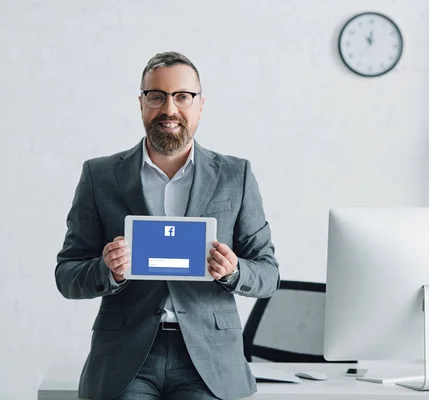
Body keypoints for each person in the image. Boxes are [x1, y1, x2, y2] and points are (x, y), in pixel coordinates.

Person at [55, 51, 280, 400]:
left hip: (208, 360)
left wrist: (235, 271)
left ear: (200, 104)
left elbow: (268, 275)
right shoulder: (100, 176)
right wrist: (108, 270)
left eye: (182, 97)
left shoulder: (237, 176)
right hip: (125, 357)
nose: (169, 109)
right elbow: (67, 275)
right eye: (156, 96)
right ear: (141, 103)